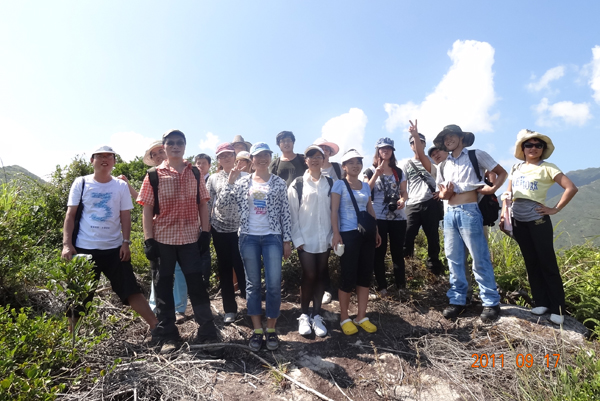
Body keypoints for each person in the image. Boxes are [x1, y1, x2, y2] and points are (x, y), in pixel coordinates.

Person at [61, 145, 158, 332]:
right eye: (100, 156)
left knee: (130, 289)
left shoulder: (120, 186)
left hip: (114, 249)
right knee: (79, 296)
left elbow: (125, 216)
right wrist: (67, 245)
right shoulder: (80, 183)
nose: (105, 159)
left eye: (109, 156)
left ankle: (156, 326)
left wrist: (126, 243)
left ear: (114, 161)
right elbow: (70, 215)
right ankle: (70, 341)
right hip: (84, 249)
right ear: (92, 160)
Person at [137, 129, 219, 347]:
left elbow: (203, 203)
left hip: (191, 239)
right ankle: (168, 335)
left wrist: (205, 232)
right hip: (163, 239)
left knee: (197, 285)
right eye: (171, 142)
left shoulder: (195, 173)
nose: (175, 146)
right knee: (163, 286)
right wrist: (148, 240)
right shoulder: (154, 175)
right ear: (164, 147)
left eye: (179, 142)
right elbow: (147, 209)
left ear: (185, 146)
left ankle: (208, 332)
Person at [426, 121, 507, 322]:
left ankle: (490, 302)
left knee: (479, 257)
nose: (449, 140)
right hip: (450, 214)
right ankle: (458, 300)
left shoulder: (475, 155)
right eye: (445, 138)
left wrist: (492, 188)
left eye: (452, 135)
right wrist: (445, 194)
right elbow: (441, 194)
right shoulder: (443, 165)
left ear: (461, 137)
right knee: (454, 259)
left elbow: (502, 172)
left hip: (470, 210)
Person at [500, 129, 577, 325]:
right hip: (518, 218)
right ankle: (540, 302)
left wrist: (555, 209)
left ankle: (557, 308)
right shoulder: (515, 167)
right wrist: (504, 214)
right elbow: (508, 194)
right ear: (523, 148)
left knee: (547, 262)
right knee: (531, 261)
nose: (533, 148)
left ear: (543, 149)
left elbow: (571, 188)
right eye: (529, 145)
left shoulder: (548, 168)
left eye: (538, 145)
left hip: (538, 219)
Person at [221, 142, 292, 351]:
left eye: (266, 155)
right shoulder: (242, 183)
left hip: (272, 237)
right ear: (251, 159)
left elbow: (285, 213)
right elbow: (224, 204)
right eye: (258, 155)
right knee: (252, 285)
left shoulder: (279, 183)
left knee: (273, 284)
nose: (262, 159)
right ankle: (257, 330)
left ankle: (271, 329)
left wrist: (286, 240)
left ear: (271, 157)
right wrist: (231, 181)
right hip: (248, 237)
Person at [132, 141, 189, 323]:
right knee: (158, 272)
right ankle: (156, 306)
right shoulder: (152, 176)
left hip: (182, 232)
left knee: (179, 271)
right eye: (153, 154)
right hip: (160, 232)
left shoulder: (186, 169)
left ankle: (180, 307)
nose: (157, 156)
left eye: (159, 152)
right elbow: (144, 203)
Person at [332, 149, 382, 335]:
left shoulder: (366, 186)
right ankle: (344, 317)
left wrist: (375, 230)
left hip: (366, 235)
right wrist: (336, 234)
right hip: (348, 234)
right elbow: (334, 211)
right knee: (348, 275)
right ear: (344, 166)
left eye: (358, 162)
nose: (355, 165)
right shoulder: (339, 185)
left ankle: (361, 316)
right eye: (350, 162)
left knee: (365, 275)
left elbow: (370, 209)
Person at [288, 145, 332, 337]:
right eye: (310, 157)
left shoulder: (330, 183)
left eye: (318, 156)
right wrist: (296, 238)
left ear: (323, 160)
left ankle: (317, 315)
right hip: (305, 238)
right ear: (305, 161)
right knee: (309, 274)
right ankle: (304, 315)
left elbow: (334, 211)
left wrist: (333, 235)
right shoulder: (297, 184)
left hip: (325, 237)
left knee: (322, 275)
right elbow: (292, 214)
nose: (314, 159)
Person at [206, 143, 248, 324]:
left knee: (244, 267)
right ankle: (230, 309)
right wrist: (205, 228)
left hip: (243, 229)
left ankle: (251, 305)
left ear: (235, 155)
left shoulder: (247, 177)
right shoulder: (213, 179)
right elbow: (209, 205)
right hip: (220, 229)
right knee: (224, 269)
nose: (226, 158)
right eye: (222, 156)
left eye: (229, 155)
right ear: (218, 160)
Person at [364, 138, 408, 296]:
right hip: (378, 216)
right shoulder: (369, 171)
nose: (385, 151)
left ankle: (401, 286)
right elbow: (365, 191)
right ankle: (382, 286)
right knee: (379, 253)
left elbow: (404, 192)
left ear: (392, 151)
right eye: (382, 149)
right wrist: (376, 174)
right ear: (377, 151)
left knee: (398, 253)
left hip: (398, 217)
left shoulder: (399, 171)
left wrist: (402, 200)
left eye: (389, 148)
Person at [401, 133, 444, 276]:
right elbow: (403, 185)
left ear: (424, 144)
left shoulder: (433, 162)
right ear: (410, 146)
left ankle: (434, 268)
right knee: (407, 236)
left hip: (430, 202)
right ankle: (408, 266)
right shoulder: (406, 164)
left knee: (432, 237)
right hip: (412, 203)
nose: (416, 144)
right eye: (413, 142)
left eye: (420, 142)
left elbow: (443, 180)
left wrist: (440, 193)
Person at [313, 137, 345, 304]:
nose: (324, 151)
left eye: (326, 149)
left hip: (339, 215)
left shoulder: (339, 169)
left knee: (342, 252)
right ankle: (326, 288)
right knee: (322, 253)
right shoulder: (310, 170)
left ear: (330, 152)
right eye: (320, 149)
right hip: (319, 217)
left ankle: (346, 287)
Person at [194, 153, 213, 287]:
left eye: (203, 163)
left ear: (209, 166)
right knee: (192, 253)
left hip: (206, 223)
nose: (200, 166)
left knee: (204, 252)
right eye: (198, 163)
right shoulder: (191, 179)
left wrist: (207, 222)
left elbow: (212, 203)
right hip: (192, 223)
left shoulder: (211, 181)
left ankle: (204, 283)